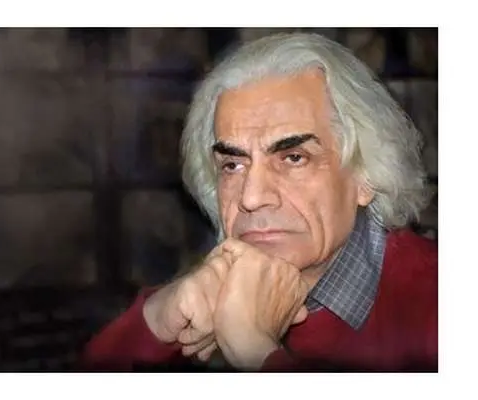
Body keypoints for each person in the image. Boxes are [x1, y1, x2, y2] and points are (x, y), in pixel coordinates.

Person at [80, 33, 437, 372]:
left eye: (294, 158)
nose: (251, 198)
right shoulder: (215, 289)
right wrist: (157, 319)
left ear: (366, 177)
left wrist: (255, 351)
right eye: (232, 165)